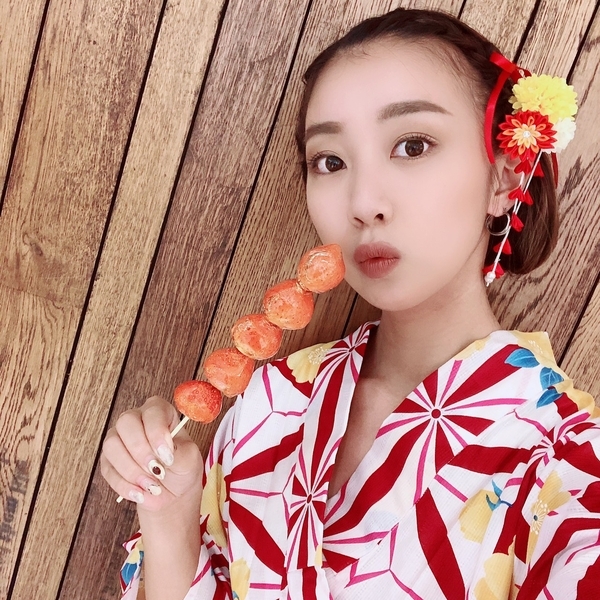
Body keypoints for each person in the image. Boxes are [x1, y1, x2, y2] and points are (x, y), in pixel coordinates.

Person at [100, 8, 599, 600]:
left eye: (413, 145)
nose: (363, 202)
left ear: (504, 177)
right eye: (330, 162)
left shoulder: (569, 463)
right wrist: (170, 515)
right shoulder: (274, 401)